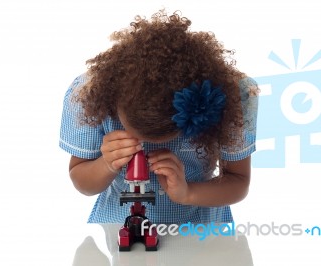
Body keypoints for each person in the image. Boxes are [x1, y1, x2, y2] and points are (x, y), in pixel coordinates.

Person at [59, 10, 259, 224]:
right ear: (114, 99)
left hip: (200, 231)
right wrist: (106, 164)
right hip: (118, 222)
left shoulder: (233, 96)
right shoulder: (89, 92)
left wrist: (188, 193)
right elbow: (82, 182)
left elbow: (238, 182)